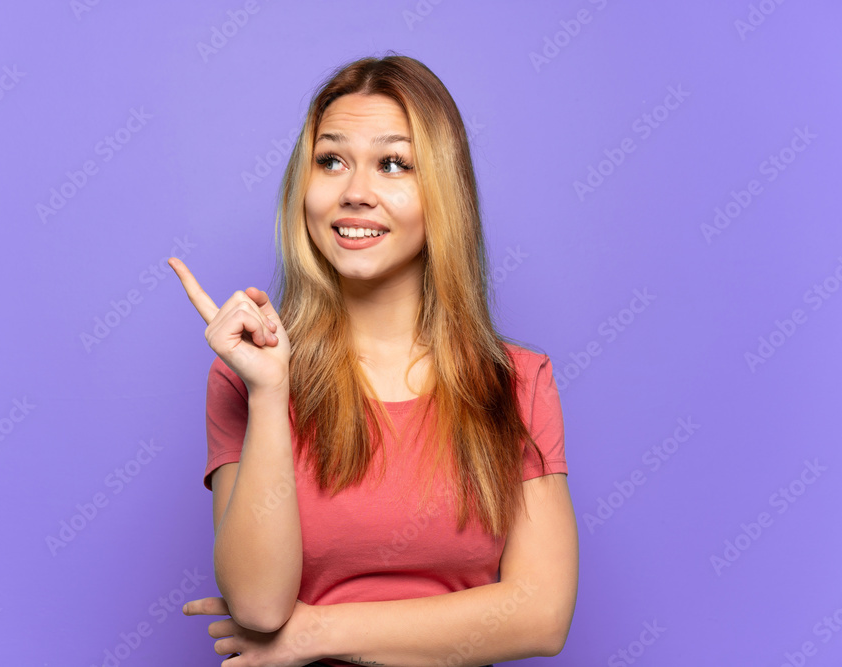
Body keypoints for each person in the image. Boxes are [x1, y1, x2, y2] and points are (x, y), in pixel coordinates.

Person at [171, 53, 579, 667]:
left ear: (442, 192)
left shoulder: (516, 382)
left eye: (393, 164)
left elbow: (541, 617)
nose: (355, 192)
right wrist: (269, 391)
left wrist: (315, 633)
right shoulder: (246, 374)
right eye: (331, 161)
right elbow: (257, 605)